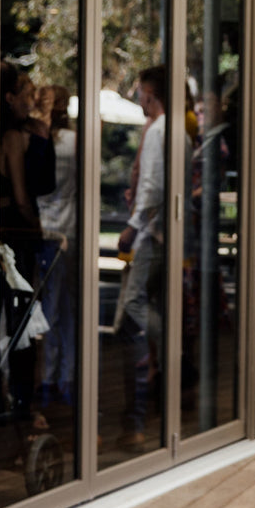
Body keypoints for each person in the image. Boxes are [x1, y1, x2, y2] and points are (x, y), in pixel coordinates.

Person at [0, 62, 55, 426]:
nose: (30, 100)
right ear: (9, 97)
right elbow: (21, 195)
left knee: (14, 315)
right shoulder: (12, 138)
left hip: (10, 228)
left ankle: (14, 396)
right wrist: (38, 229)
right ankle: (21, 401)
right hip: (17, 231)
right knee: (21, 316)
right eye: (25, 93)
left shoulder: (17, 133)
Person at [116, 64, 167, 450]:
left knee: (133, 301)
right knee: (141, 304)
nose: (137, 97)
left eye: (139, 90)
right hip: (162, 232)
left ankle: (162, 351)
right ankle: (156, 360)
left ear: (150, 92)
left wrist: (133, 226)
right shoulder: (169, 130)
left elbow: (151, 186)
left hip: (151, 233)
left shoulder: (159, 131)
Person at [35, 83, 78, 406]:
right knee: (64, 306)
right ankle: (65, 374)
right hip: (68, 230)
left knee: (47, 306)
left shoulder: (38, 141)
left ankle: (49, 377)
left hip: (42, 230)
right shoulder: (76, 143)